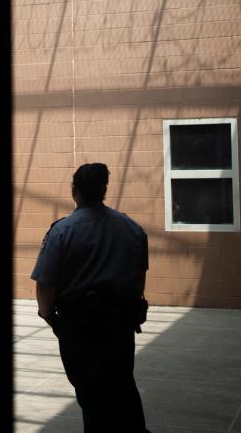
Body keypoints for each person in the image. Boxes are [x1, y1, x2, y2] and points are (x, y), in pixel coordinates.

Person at [32, 163, 151, 433]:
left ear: (75, 190)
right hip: (119, 325)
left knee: (90, 392)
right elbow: (138, 280)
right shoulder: (132, 228)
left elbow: (46, 284)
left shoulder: (61, 231)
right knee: (122, 384)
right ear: (104, 189)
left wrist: (50, 316)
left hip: (79, 327)